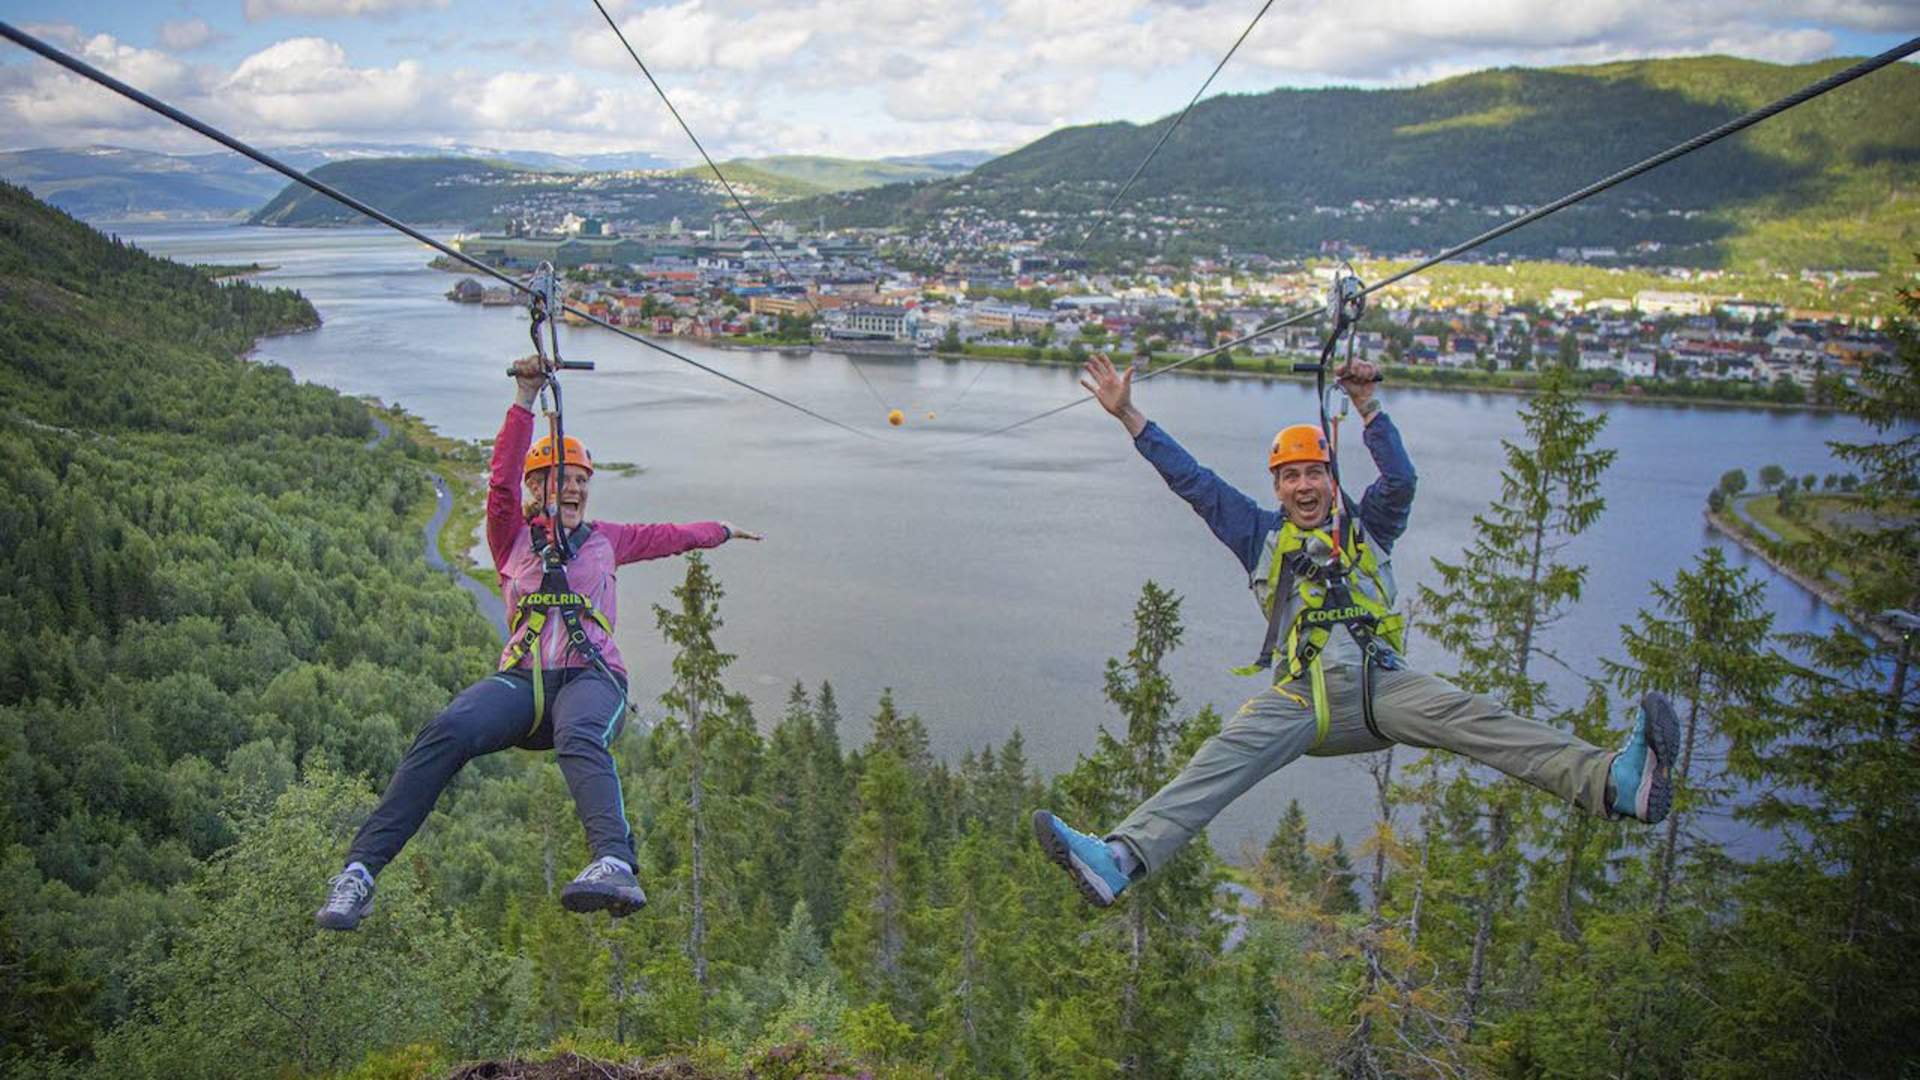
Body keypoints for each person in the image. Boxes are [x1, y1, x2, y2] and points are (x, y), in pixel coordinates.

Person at [1033, 353, 1676, 908]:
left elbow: (1401, 480)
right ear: (1278, 487)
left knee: (1477, 718)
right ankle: (1119, 861)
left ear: (1330, 480)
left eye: (1314, 472)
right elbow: (1193, 482)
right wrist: (1129, 416)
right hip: (1304, 697)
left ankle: (1615, 785)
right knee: (1219, 758)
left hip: (1381, 686)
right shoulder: (1258, 535)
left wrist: (1368, 406)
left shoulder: (1369, 528)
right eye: (1291, 476)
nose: (1304, 484)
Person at [316, 356, 761, 930]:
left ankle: (614, 862)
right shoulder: (511, 539)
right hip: (523, 681)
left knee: (579, 734)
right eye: (563, 479)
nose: (575, 488)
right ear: (536, 490)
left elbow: (672, 537)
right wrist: (524, 399)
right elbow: (498, 482)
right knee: (446, 730)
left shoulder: (608, 540)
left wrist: (722, 531)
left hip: (592, 676)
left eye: (581, 481)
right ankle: (358, 873)